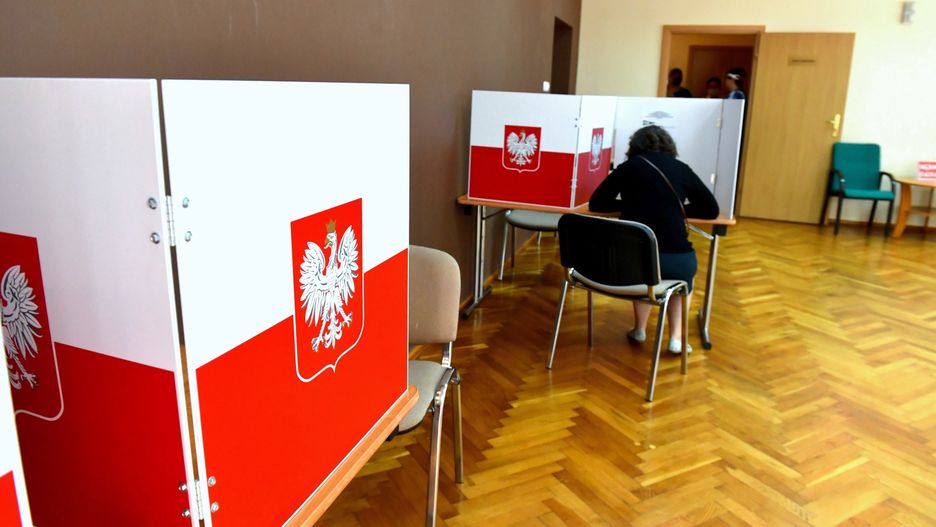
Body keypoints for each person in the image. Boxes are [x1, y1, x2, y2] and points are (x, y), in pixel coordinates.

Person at [589, 126, 719, 354]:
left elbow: (597, 203)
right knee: (682, 281)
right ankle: (676, 338)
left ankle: (639, 329)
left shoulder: (628, 168)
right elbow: (711, 209)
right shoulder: (681, 169)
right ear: (669, 146)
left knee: (644, 269)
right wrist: (677, 209)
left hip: (633, 261)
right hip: (676, 261)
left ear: (635, 147)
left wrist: (630, 205)